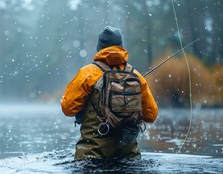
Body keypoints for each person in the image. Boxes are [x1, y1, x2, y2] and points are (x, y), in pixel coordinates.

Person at [61, 26, 158, 160]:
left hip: (92, 155)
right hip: (128, 156)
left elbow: (68, 109)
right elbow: (151, 115)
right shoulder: (136, 76)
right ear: (121, 46)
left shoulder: (87, 73)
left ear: (99, 48)